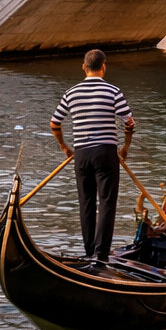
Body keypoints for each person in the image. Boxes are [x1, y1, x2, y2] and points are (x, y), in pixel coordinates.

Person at [50, 49, 136, 267]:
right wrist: (125, 146)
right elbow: (129, 122)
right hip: (106, 153)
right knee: (106, 202)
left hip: (81, 155)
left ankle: (89, 252)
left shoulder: (71, 93)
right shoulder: (113, 91)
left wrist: (65, 148)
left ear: (83, 67)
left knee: (86, 202)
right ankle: (101, 255)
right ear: (104, 66)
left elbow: (54, 123)